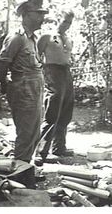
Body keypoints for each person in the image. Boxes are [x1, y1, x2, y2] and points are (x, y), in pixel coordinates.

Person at [0, 0, 48, 163]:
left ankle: (26, 166)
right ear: (26, 15)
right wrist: (3, 84)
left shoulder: (32, 38)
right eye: (38, 14)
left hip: (34, 88)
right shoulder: (17, 38)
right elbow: (2, 62)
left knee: (34, 131)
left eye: (43, 14)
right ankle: (20, 170)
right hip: (23, 89)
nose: (42, 17)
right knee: (26, 131)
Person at [36, 9, 75, 162]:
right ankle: (41, 151)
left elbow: (67, 57)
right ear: (58, 19)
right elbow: (36, 56)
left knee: (66, 108)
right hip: (52, 71)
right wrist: (41, 74)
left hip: (66, 72)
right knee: (53, 108)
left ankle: (59, 147)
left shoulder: (68, 39)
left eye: (70, 23)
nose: (67, 25)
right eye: (65, 21)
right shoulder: (47, 37)